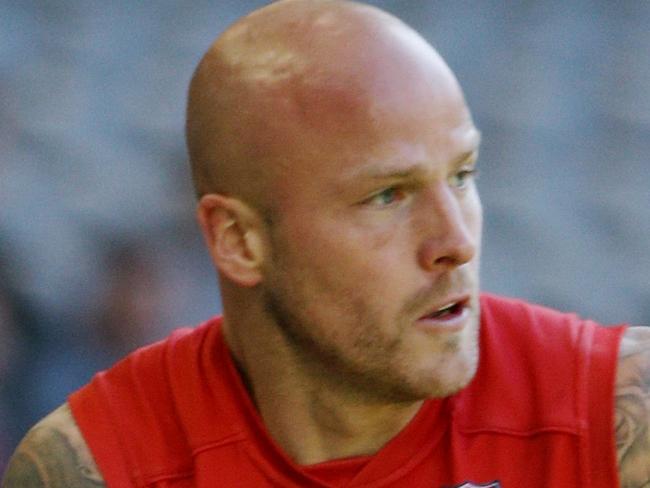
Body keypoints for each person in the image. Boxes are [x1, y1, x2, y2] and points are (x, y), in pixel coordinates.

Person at [3, 0, 649, 486]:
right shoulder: (97, 465)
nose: (456, 240)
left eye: (462, 176)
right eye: (387, 196)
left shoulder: (615, 420)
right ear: (239, 242)